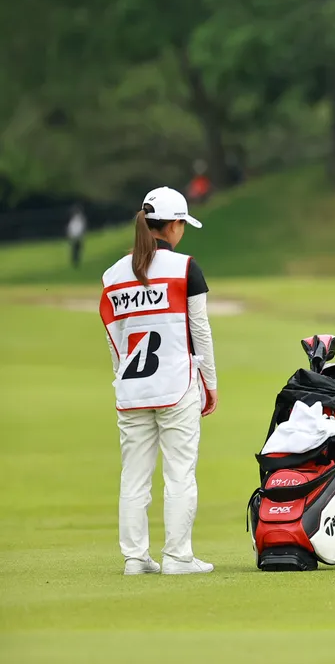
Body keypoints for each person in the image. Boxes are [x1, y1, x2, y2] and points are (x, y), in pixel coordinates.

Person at [99, 186, 219, 576]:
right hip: (177, 385)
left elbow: (114, 338)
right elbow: (200, 333)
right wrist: (210, 383)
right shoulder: (186, 268)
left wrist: (122, 377)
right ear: (173, 226)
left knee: (133, 476)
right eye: (182, 224)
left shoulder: (113, 275)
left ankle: (135, 558)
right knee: (179, 473)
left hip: (131, 389)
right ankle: (178, 557)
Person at [66, 204, 87, 268]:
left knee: (77, 250)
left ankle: (76, 261)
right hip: (75, 237)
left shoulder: (79, 219)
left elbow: (80, 227)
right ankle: (75, 261)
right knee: (75, 250)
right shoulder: (76, 219)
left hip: (77, 237)